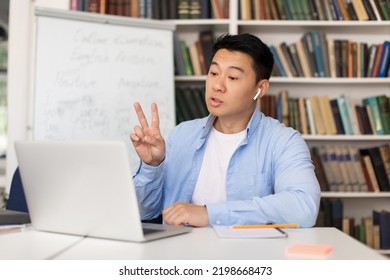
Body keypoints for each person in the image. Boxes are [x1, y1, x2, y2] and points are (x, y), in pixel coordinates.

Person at [130, 33, 321, 228]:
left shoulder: (283, 141)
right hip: (178, 254)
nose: (217, 85)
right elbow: (145, 212)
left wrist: (209, 214)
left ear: (260, 89)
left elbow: (304, 207)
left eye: (232, 77)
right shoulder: (182, 135)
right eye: (213, 73)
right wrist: (152, 166)